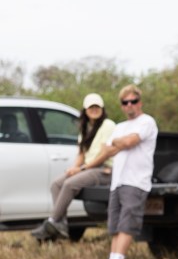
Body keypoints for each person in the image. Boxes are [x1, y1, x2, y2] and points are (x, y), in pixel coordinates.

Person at [87, 84, 158, 259]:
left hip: (136, 181)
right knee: (115, 223)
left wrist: (118, 143)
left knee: (128, 221)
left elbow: (128, 142)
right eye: (125, 102)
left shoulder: (147, 122)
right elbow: (106, 150)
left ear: (139, 102)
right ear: (121, 106)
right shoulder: (120, 126)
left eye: (133, 101)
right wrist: (121, 143)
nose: (129, 105)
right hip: (117, 180)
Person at [31, 93, 116, 240]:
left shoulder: (108, 125)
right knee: (57, 184)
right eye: (91, 107)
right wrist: (74, 168)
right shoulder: (86, 128)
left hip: (105, 169)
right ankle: (61, 224)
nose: (94, 109)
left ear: (102, 109)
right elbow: (81, 154)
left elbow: (104, 155)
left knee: (70, 184)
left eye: (97, 106)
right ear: (85, 110)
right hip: (90, 168)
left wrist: (82, 169)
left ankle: (52, 221)